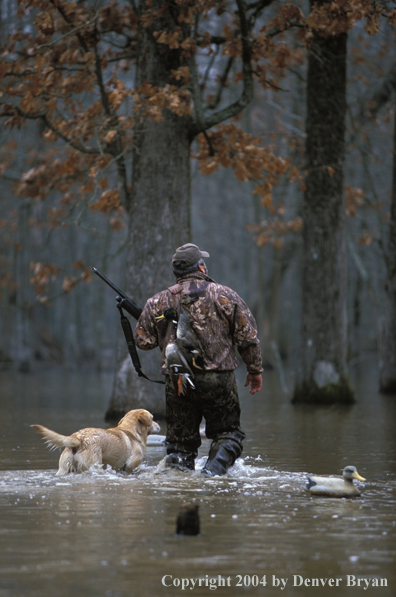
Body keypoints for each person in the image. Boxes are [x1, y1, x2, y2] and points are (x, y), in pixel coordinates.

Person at [134, 243, 263, 476]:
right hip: (219, 379)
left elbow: (143, 342)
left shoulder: (157, 301)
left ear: (177, 272)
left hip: (178, 382)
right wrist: (254, 370)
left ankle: (178, 485)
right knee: (228, 435)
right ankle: (211, 475)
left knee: (179, 445)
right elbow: (248, 338)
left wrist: (163, 330)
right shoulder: (226, 295)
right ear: (201, 267)